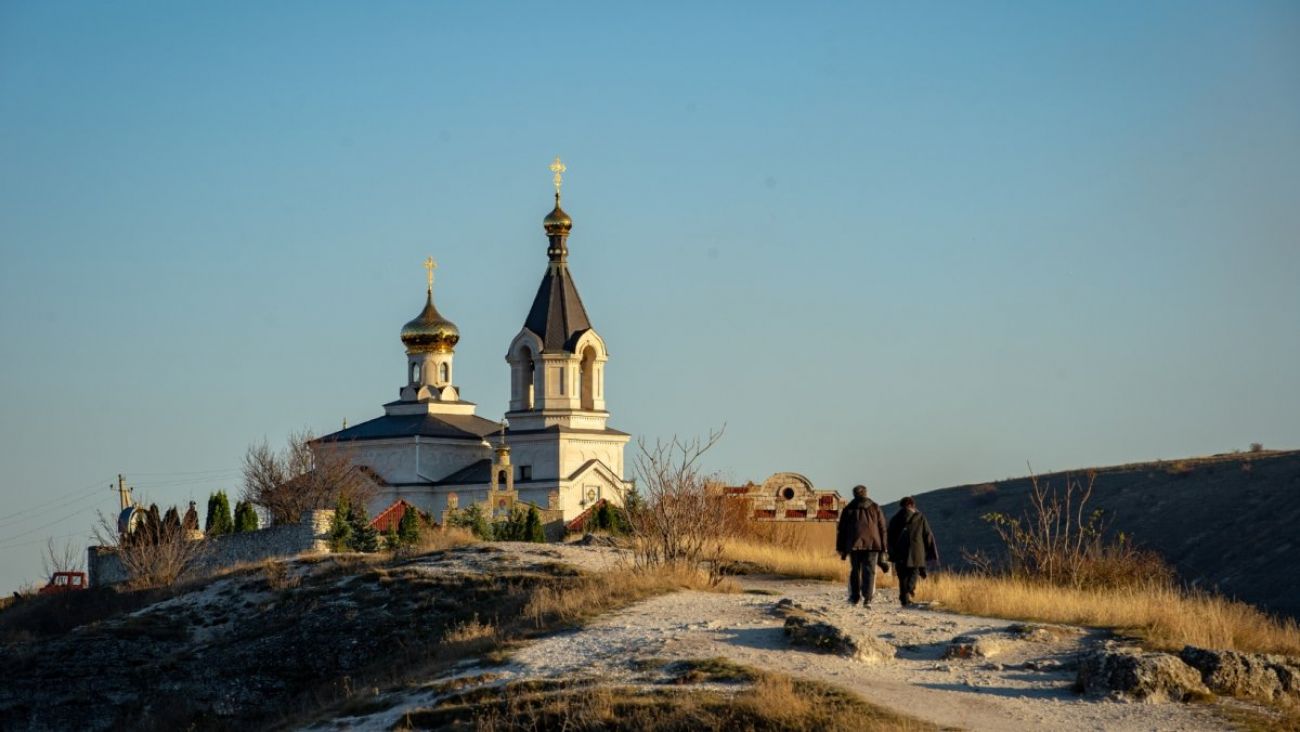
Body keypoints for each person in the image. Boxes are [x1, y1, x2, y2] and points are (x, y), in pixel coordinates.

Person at [836, 484, 889, 607]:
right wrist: (884, 546)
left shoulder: (848, 508)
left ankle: (854, 597)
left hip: (854, 543)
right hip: (873, 544)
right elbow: (882, 528)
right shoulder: (875, 507)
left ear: (854, 494)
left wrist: (840, 547)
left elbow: (842, 529)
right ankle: (868, 598)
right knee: (869, 570)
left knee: (855, 570)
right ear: (866, 493)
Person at [887, 496, 939, 607]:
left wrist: (891, 551)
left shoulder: (895, 518)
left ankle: (904, 600)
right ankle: (910, 588)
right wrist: (930, 550)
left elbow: (890, 537)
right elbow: (927, 534)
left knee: (902, 576)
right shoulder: (920, 517)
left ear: (901, 505)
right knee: (914, 571)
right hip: (917, 550)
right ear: (912, 505)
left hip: (900, 550)